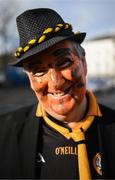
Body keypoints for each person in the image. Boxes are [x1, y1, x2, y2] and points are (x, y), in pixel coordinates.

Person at [0, 8, 115, 179]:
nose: (55, 82)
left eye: (64, 62)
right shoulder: (4, 134)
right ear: (30, 79)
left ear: (83, 62)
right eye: (38, 71)